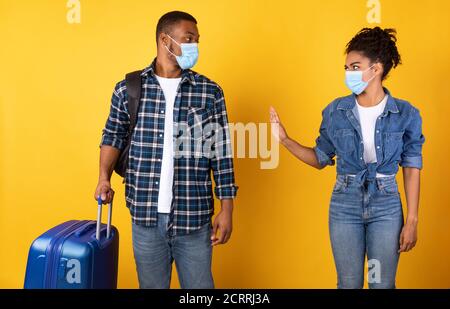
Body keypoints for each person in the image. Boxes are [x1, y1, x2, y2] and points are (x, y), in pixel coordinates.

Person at [270, 27, 425, 288]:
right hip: (345, 204)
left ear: (376, 69)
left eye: (355, 66)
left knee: (382, 284)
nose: (349, 73)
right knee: (348, 283)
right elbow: (320, 158)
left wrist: (412, 220)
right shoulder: (335, 111)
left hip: (386, 205)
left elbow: (411, 166)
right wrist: (285, 140)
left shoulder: (406, 113)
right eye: (346, 67)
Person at [94, 11, 238, 289]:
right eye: (188, 38)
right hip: (145, 216)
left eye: (197, 40)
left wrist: (227, 208)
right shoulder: (128, 89)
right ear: (165, 39)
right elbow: (112, 136)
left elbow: (221, 152)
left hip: (194, 217)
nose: (195, 45)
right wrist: (103, 178)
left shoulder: (209, 91)